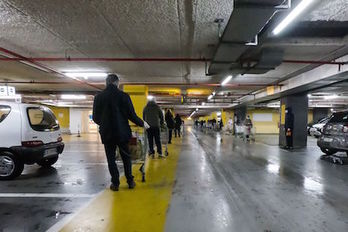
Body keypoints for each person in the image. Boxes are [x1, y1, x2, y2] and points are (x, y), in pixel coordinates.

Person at [93, 74, 149, 191]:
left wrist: (104, 123)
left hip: (107, 133)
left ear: (106, 83)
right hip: (122, 132)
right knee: (126, 157)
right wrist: (142, 123)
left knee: (111, 159)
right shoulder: (124, 96)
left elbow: (95, 118)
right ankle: (130, 181)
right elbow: (131, 115)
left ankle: (115, 183)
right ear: (117, 83)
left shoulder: (98, 97)